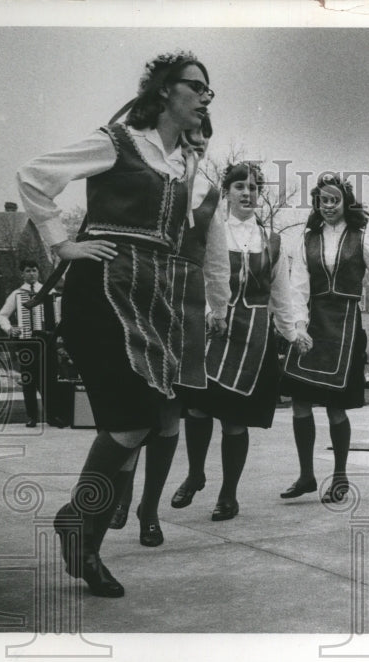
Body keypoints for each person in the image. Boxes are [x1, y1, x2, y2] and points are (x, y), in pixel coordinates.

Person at [16, 50, 215, 596]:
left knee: (137, 424)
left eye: (209, 91)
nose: (204, 97)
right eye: (195, 87)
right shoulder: (118, 140)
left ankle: (82, 532)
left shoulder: (186, 165)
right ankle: (82, 529)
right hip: (101, 295)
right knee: (130, 422)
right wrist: (63, 243)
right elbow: (34, 176)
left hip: (152, 304)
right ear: (163, 92)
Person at [109, 121, 230, 544]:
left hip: (188, 307)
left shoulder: (212, 195)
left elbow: (217, 261)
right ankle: (120, 494)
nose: (195, 143)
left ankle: (149, 509)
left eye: (203, 138)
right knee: (136, 401)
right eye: (188, 135)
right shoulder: (151, 178)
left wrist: (220, 306)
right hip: (145, 295)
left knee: (169, 410)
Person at [279, 175, 369, 503]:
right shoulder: (306, 239)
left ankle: (340, 476)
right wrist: (297, 326)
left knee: (334, 406)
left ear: (345, 203)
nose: (327, 206)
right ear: (316, 203)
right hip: (311, 325)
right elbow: (297, 284)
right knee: (300, 401)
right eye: (322, 201)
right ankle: (306, 475)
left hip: (344, 324)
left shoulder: (360, 238)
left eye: (334, 200)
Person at [172, 162, 297, 521]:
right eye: (240, 186)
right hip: (214, 328)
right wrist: (209, 312)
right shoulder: (212, 230)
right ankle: (196, 474)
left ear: (260, 195)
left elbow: (281, 294)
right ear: (226, 191)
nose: (247, 193)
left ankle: (228, 494)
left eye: (254, 188)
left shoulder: (273, 239)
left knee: (233, 418)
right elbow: (197, 277)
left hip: (253, 336)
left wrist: (290, 334)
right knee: (197, 407)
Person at [0, 260, 56, 427]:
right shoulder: (17, 294)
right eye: (28, 271)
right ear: (22, 274)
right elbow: (2, 315)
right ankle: (32, 417)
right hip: (26, 342)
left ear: (38, 272)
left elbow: (57, 314)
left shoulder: (49, 291)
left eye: (34, 270)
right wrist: (9, 329)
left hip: (46, 341)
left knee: (49, 378)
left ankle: (53, 416)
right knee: (29, 380)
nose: (31, 274)